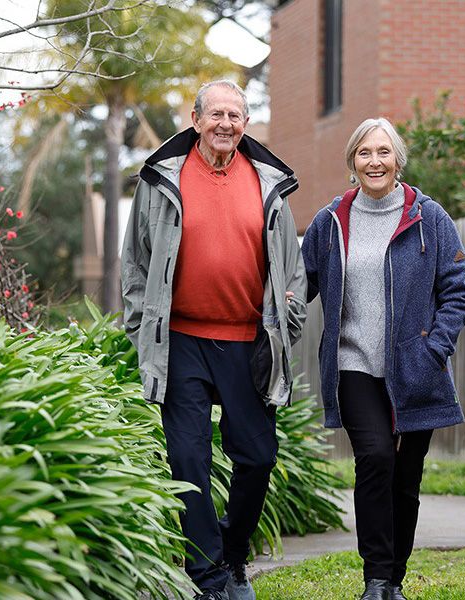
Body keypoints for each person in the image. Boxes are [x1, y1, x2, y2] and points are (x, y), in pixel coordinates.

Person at [121, 80, 306, 600]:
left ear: (245, 124)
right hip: (180, 340)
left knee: (257, 457)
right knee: (188, 458)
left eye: (236, 115)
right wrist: (141, 327)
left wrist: (287, 319)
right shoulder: (163, 179)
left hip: (250, 340)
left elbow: (291, 268)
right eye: (216, 114)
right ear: (196, 120)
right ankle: (208, 576)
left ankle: (231, 551)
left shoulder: (268, 182)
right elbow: (134, 260)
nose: (226, 124)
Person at [301, 118, 465, 600]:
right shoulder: (331, 221)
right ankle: (376, 580)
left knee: (407, 476)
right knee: (375, 458)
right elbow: (300, 283)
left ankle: (394, 579)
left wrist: (432, 348)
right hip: (353, 363)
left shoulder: (430, 217)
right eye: (364, 153)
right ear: (352, 161)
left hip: (415, 369)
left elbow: (458, 294)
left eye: (383, 152)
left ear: (397, 159)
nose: (373, 162)